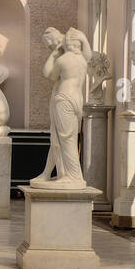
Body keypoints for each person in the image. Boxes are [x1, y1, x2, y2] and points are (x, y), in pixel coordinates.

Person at [32, 27, 91, 187]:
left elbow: (48, 73)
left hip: (63, 98)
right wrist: (84, 39)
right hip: (75, 99)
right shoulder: (82, 59)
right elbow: (89, 56)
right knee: (59, 138)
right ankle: (56, 173)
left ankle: (72, 175)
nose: (51, 46)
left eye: (53, 43)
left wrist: (54, 53)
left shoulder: (63, 58)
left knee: (65, 138)